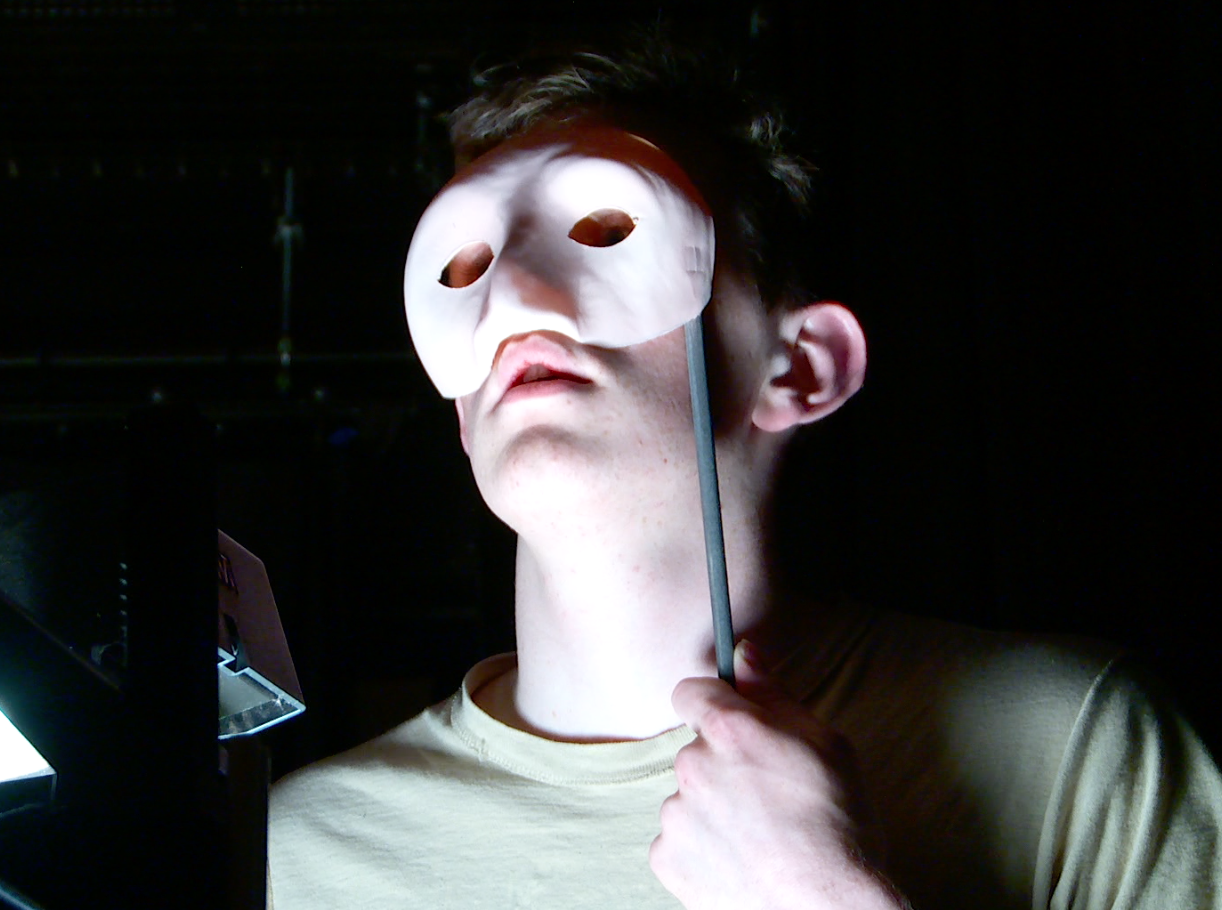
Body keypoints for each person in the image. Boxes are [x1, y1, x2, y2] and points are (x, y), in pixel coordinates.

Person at [268, 32, 1222, 910]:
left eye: (602, 229)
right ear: (462, 414)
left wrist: (826, 897)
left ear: (802, 366)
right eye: (466, 265)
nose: (513, 299)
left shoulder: (1074, 749)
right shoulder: (299, 861)